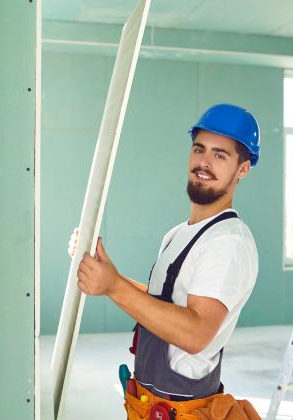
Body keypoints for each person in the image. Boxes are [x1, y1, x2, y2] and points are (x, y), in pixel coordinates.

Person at [68, 104, 260, 416]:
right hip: (150, 404)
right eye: (199, 149)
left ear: (243, 168)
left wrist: (114, 287)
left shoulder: (229, 242)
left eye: (220, 155)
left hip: (181, 407)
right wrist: (106, 274)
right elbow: (165, 306)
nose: (204, 162)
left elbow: (196, 334)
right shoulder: (177, 234)